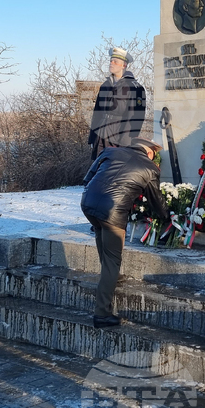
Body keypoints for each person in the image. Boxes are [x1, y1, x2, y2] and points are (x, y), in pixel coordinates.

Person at [80, 137, 168, 328]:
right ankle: (102, 314)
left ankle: (109, 275)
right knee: (113, 259)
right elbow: (156, 201)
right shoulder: (150, 168)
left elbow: (88, 178)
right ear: (150, 152)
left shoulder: (109, 152)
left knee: (100, 233)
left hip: (87, 203)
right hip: (113, 211)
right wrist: (167, 217)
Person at [88, 46, 146, 160]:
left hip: (118, 136)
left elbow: (136, 118)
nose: (111, 63)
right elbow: (97, 113)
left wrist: (125, 143)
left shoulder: (135, 88)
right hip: (101, 134)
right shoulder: (105, 85)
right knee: (98, 171)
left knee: (113, 172)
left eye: (115, 61)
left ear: (124, 65)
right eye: (111, 61)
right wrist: (92, 137)